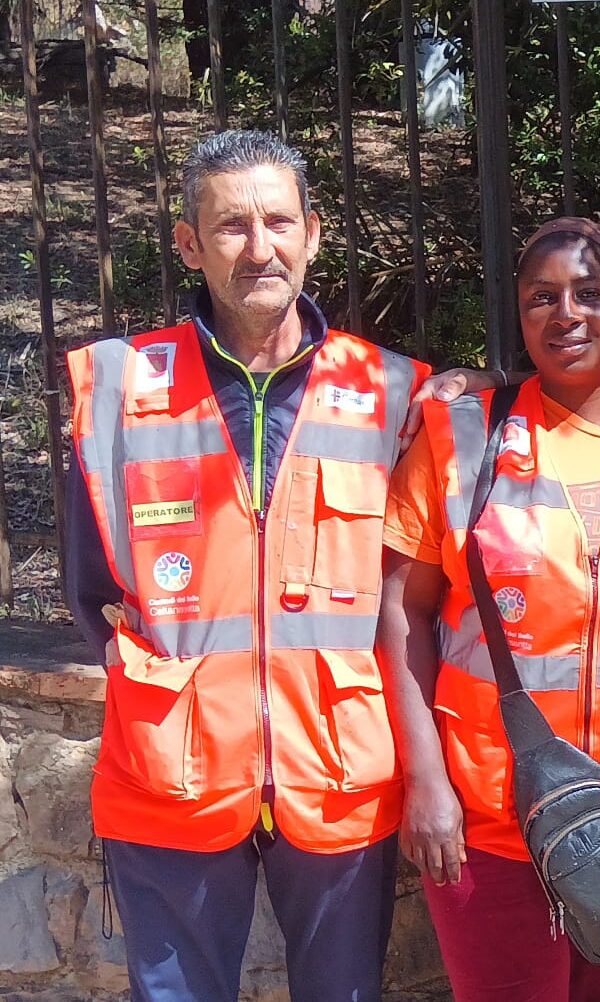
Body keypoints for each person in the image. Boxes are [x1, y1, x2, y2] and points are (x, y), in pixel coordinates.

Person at [64, 129, 433, 1000]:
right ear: (189, 244)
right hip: (172, 772)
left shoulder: (395, 390)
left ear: (313, 231)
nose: (259, 248)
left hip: (339, 771)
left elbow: (422, 588)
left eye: (277, 221)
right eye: (230, 226)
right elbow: (91, 592)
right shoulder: (117, 387)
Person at [377, 216, 600, 1002]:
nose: (564, 313)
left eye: (587, 292)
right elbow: (400, 619)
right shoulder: (461, 438)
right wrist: (425, 782)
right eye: (542, 297)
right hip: (490, 824)